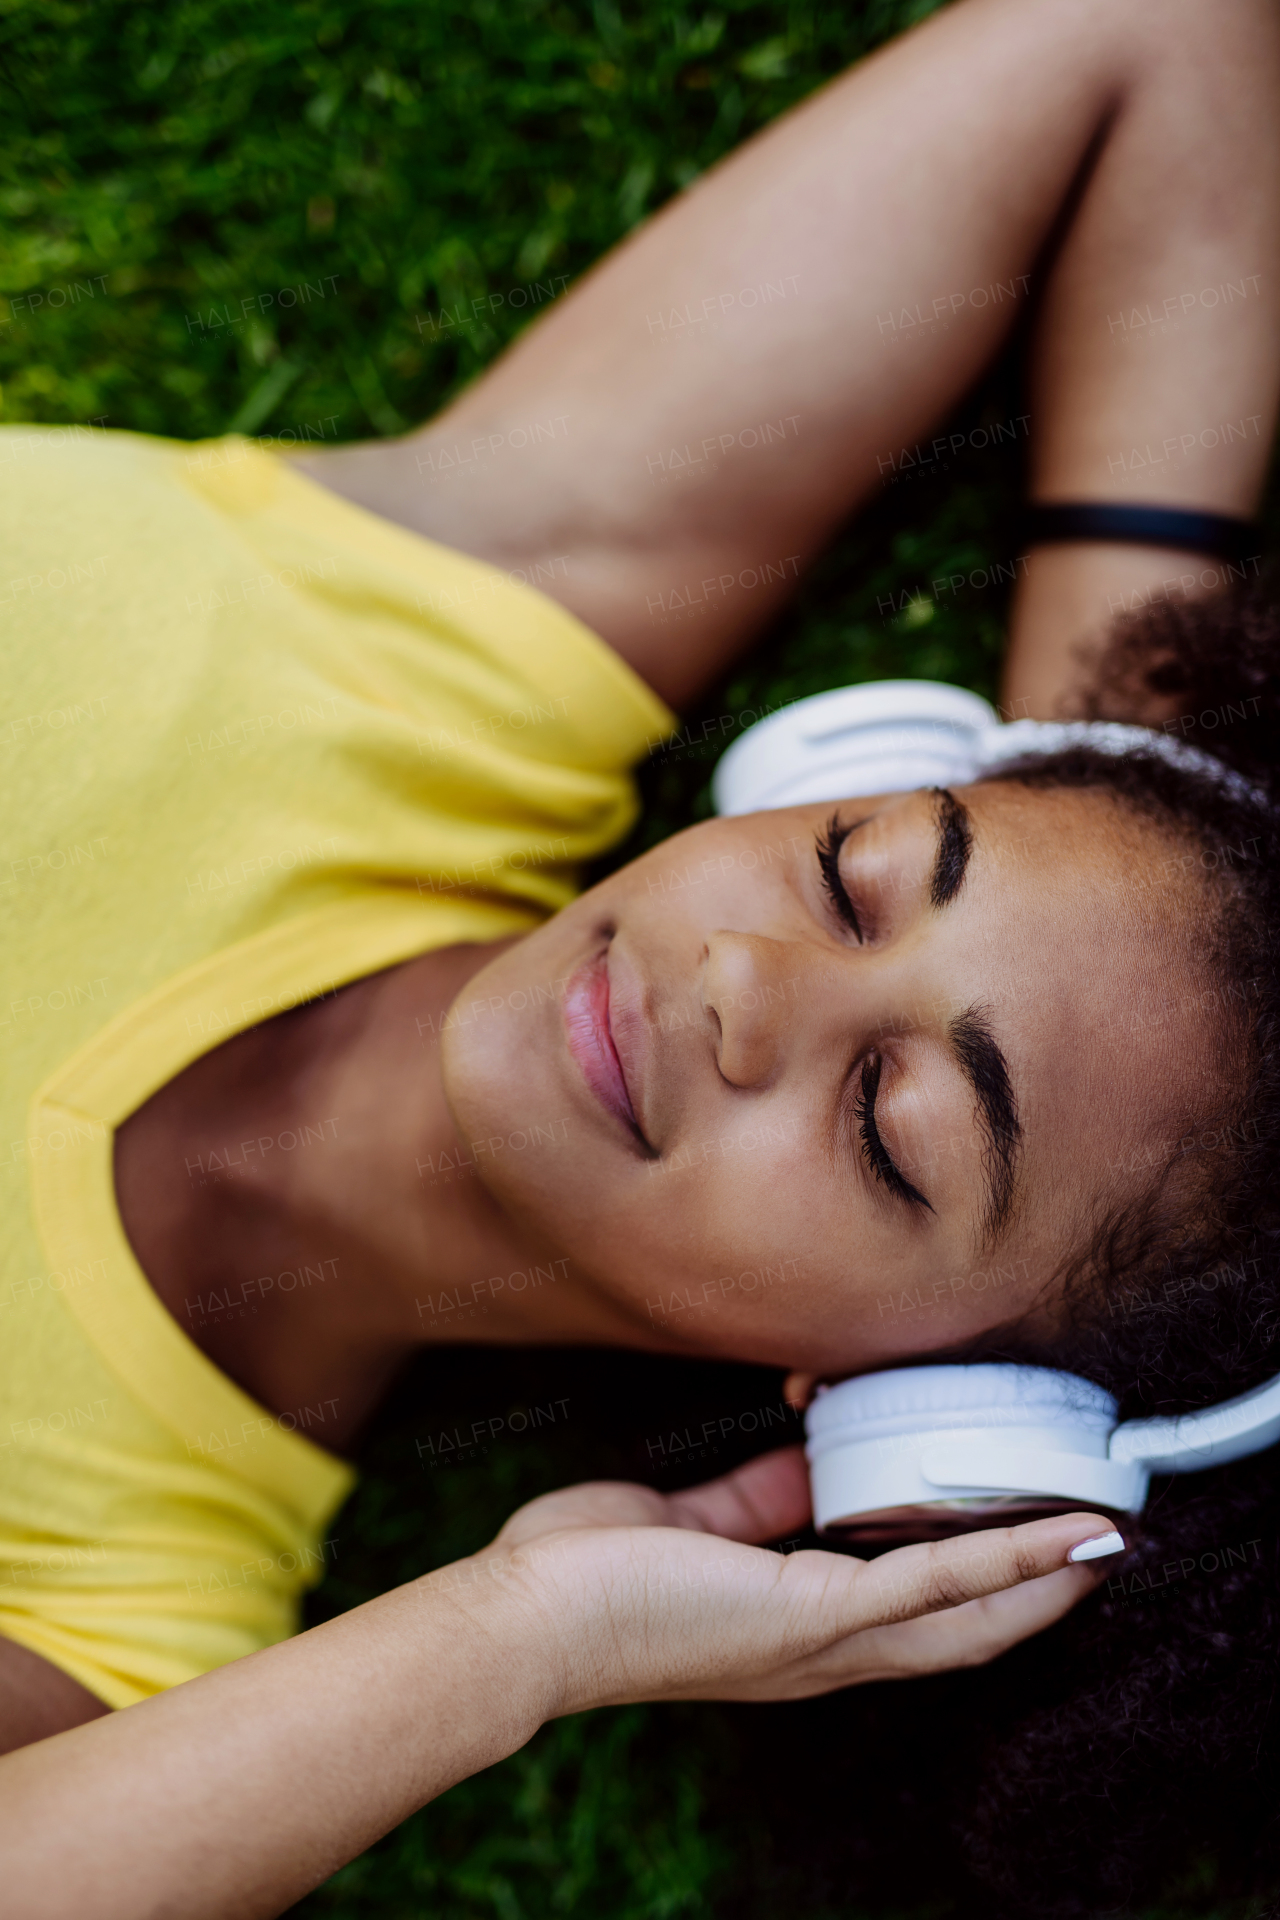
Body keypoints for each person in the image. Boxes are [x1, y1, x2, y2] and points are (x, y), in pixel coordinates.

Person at [1, 0, 1278, 1911]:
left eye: (892, 1129)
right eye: (857, 867)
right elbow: (1157, 42)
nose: (748, 988)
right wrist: (1080, 785)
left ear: (888, 1402)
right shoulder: (426, 654)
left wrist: (528, 1637)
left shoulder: (107, 1629)